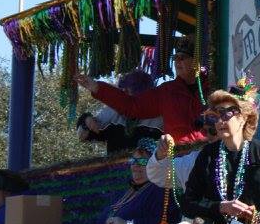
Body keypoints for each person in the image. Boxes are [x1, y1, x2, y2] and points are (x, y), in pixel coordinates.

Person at [181, 84, 260, 224]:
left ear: (243, 118)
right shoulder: (208, 155)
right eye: (215, 116)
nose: (220, 121)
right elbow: (188, 203)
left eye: (226, 114)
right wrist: (220, 207)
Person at [77, 36, 208, 144]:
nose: (177, 62)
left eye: (182, 58)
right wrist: (97, 88)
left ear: (195, 61)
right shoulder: (166, 91)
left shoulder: (211, 87)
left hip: (207, 153)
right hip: (179, 161)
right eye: (175, 58)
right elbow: (132, 105)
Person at [92, 138, 182, 224]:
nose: (135, 165)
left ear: (155, 165)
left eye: (142, 161)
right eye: (133, 161)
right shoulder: (127, 192)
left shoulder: (161, 190)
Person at [76, 69, 162, 153]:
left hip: (150, 166)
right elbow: (84, 135)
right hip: (116, 167)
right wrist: (85, 121)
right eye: (121, 91)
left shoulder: (159, 117)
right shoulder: (113, 113)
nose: (123, 94)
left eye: (127, 90)